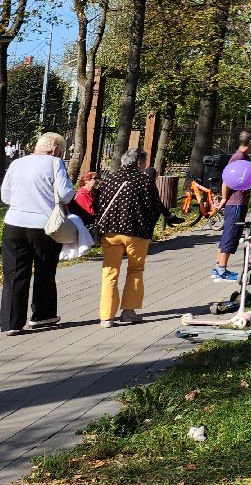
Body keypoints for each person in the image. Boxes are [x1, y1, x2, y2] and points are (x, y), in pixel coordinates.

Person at [1, 133, 76, 334]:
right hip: (44, 226)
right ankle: (42, 316)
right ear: (55, 150)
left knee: (14, 273)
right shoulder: (55, 163)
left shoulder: (17, 163)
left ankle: (10, 323)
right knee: (44, 270)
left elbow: (5, 195)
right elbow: (66, 194)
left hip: (14, 224)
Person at [92, 148, 166, 328]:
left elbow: (98, 204)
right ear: (139, 162)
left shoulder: (109, 179)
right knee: (135, 270)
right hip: (136, 232)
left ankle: (106, 317)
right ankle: (128, 311)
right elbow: (155, 206)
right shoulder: (144, 181)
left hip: (110, 233)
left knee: (109, 273)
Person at [212, 131, 251, 282]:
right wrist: (224, 198)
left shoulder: (243, 157)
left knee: (229, 234)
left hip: (238, 202)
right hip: (235, 203)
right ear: (250, 141)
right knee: (230, 234)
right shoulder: (238, 158)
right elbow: (226, 181)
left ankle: (219, 267)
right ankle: (221, 270)